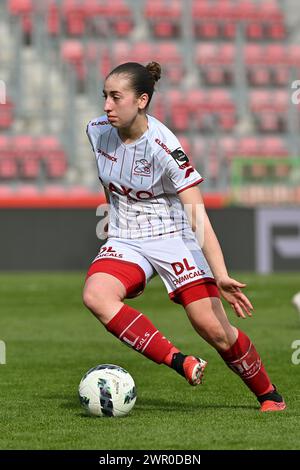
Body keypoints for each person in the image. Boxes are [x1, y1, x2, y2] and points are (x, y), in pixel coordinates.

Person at [83, 61, 286, 412]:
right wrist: (117, 231)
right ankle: (180, 361)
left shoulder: (164, 148)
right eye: (105, 96)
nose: (107, 105)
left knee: (213, 327)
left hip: (173, 235)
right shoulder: (96, 130)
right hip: (127, 237)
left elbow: (197, 216)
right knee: (96, 295)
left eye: (116, 97)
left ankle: (269, 395)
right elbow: (109, 185)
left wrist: (220, 274)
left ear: (142, 100)